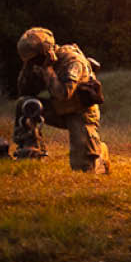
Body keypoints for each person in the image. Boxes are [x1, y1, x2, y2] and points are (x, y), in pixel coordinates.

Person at [13, 27, 110, 174]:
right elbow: (24, 92)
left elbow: (64, 94)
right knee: (25, 104)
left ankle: (101, 154)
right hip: (59, 109)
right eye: (30, 60)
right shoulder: (38, 64)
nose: (34, 63)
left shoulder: (72, 61)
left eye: (36, 59)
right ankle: (29, 149)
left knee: (83, 170)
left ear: (47, 52)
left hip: (81, 112)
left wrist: (48, 70)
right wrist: (27, 70)